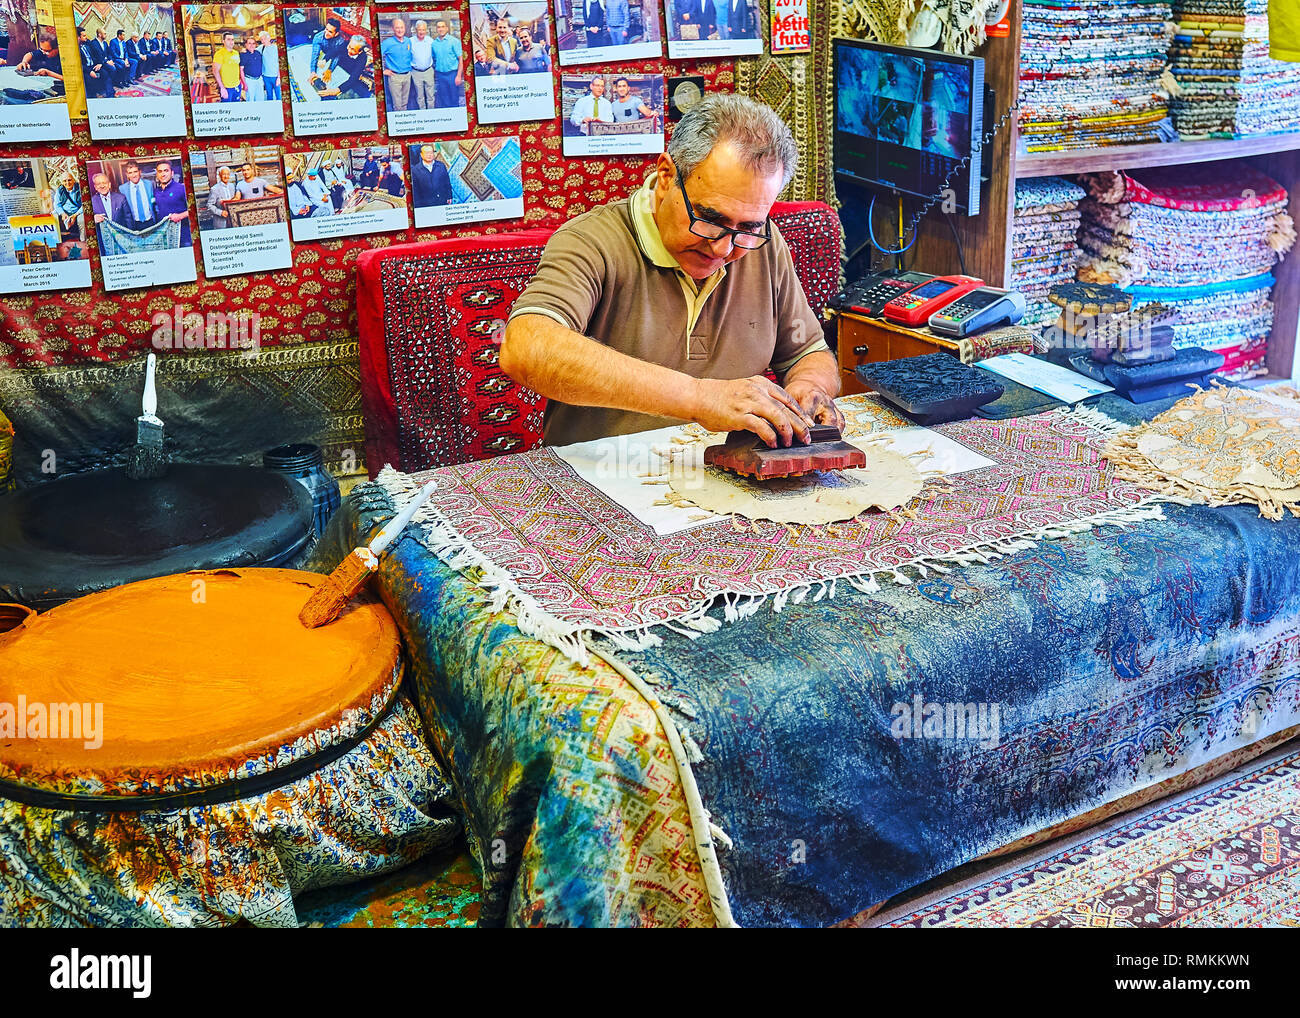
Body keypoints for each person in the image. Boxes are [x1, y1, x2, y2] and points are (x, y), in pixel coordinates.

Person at [499, 94, 838, 448]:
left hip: (731, 478)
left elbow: (808, 353)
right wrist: (699, 397)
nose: (723, 248)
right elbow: (525, 346)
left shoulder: (762, 246)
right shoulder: (590, 241)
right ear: (666, 177)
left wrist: (809, 388)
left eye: (748, 227)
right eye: (709, 218)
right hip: (605, 481)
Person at [153, 160, 190, 247]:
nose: (163, 174)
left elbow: (194, 210)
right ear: (157, 175)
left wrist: (180, 216)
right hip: (164, 236)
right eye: (160, 171)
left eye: (166, 171)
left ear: (172, 173)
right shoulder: (156, 191)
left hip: (183, 236)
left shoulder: (182, 189)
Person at [380, 17, 412, 111]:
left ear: (405, 28)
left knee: (405, 102)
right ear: (393, 29)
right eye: (397, 28)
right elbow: (375, 56)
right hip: (395, 77)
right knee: (397, 105)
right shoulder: (387, 43)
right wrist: (383, 70)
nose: (400, 30)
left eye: (402, 27)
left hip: (407, 75)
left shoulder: (408, 41)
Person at [90, 171, 128, 249]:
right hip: (103, 242)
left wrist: (130, 237)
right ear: (95, 187)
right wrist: (92, 219)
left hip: (122, 238)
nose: (102, 186)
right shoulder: (91, 202)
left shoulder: (121, 198)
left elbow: (128, 219)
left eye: (104, 183)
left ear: (109, 184)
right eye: (98, 184)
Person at [430, 18, 462, 108]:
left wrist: (459, 76)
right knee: (444, 99)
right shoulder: (434, 44)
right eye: (438, 27)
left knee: (454, 99)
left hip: (452, 74)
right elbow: (434, 59)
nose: (441, 29)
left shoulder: (454, 41)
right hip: (440, 75)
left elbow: (461, 59)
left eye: (443, 27)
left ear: (447, 28)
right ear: (436, 29)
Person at [308, 17, 347, 89]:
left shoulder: (340, 40)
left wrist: (330, 70)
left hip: (336, 54)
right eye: (326, 29)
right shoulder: (318, 37)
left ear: (336, 34)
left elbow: (337, 56)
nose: (326, 33)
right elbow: (315, 54)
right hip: (324, 53)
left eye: (330, 32)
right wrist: (313, 71)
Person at [329, 34, 371, 99]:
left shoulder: (363, 58)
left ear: (360, 52)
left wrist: (337, 90)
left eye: (353, 49)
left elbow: (354, 78)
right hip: (338, 71)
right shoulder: (346, 44)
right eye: (349, 46)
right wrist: (324, 60)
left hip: (349, 76)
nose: (348, 50)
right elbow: (334, 51)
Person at [410, 143, 451, 207]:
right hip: (425, 203)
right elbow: (415, 190)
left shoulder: (441, 166)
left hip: (441, 200)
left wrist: (449, 196)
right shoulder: (415, 170)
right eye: (426, 153)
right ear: (421, 155)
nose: (429, 155)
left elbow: (447, 182)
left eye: (431, 153)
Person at [119, 159, 156, 230]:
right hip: (135, 224)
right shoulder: (122, 189)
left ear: (140, 172)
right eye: (130, 173)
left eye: (135, 172)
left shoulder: (149, 184)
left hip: (150, 221)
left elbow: (154, 202)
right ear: (127, 174)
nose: (133, 175)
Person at [408, 20, 434, 109]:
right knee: (419, 96)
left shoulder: (430, 41)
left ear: (426, 30)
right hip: (416, 72)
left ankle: (431, 112)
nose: (421, 32)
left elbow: (435, 54)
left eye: (423, 30)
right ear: (416, 30)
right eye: (419, 30)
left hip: (429, 71)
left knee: (430, 95)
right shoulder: (410, 41)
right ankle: (422, 113)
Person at [79, 28, 111, 99]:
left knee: (105, 73)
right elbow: (79, 64)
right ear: (78, 37)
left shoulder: (87, 44)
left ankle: (110, 93)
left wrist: (99, 63)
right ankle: (93, 97)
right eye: (84, 36)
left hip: (92, 66)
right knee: (89, 79)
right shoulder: (75, 49)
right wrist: (89, 71)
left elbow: (94, 56)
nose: (86, 37)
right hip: (84, 70)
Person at [205, 165, 239, 229]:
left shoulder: (232, 186)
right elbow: (209, 205)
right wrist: (220, 212)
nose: (226, 176)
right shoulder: (214, 189)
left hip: (233, 221)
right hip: (221, 223)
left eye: (227, 174)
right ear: (220, 175)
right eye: (224, 174)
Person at [213, 31, 243, 101]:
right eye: (228, 39)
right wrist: (222, 88)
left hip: (237, 85)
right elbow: (215, 71)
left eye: (232, 39)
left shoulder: (236, 53)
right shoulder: (219, 54)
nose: (231, 42)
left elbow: (237, 67)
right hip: (226, 87)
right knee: (227, 108)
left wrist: (240, 82)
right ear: (223, 41)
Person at [55, 172, 81, 239]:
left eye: (69, 180)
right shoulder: (60, 190)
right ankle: (57, 239)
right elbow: (57, 204)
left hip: (77, 212)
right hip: (64, 212)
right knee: (52, 216)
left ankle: (83, 239)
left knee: (82, 220)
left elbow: (85, 204)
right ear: (62, 182)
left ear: (73, 180)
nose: (67, 183)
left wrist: (75, 215)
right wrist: (62, 213)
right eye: (64, 181)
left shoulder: (80, 188)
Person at [240, 35, 264, 101]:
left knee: (261, 99)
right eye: (249, 43)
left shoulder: (258, 53)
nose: (251, 45)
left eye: (253, 43)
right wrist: (244, 84)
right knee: (250, 100)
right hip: (249, 81)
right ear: (246, 45)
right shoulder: (243, 55)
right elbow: (241, 70)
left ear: (256, 45)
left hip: (259, 80)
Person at [258, 30, 280, 101]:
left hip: (275, 76)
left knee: (278, 96)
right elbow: (252, 51)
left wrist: (279, 77)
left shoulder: (276, 48)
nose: (263, 41)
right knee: (269, 96)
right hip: (266, 77)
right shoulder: (261, 48)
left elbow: (281, 63)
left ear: (269, 38)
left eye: (264, 39)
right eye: (261, 39)